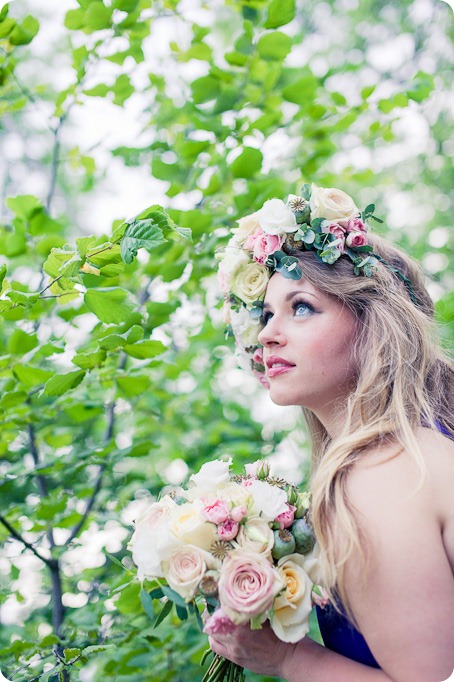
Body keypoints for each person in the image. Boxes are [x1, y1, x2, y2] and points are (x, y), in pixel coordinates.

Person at [212, 184, 454, 682]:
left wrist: (288, 658)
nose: (266, 335)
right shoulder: (411, 453)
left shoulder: (384, 475)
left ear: (373, 326)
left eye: (301, 307)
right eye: (266, 314)